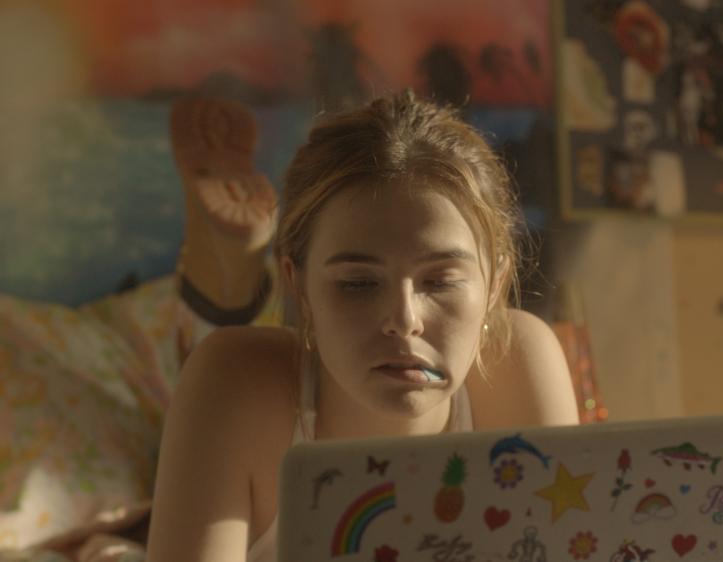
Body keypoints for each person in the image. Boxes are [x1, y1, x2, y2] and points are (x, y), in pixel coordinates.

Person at [145, 90, 579, 562]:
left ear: (495, 285)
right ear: (298, 286)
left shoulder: (519, 363)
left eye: (440, 281)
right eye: (357, 283)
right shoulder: (235, 382)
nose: (404, 321)